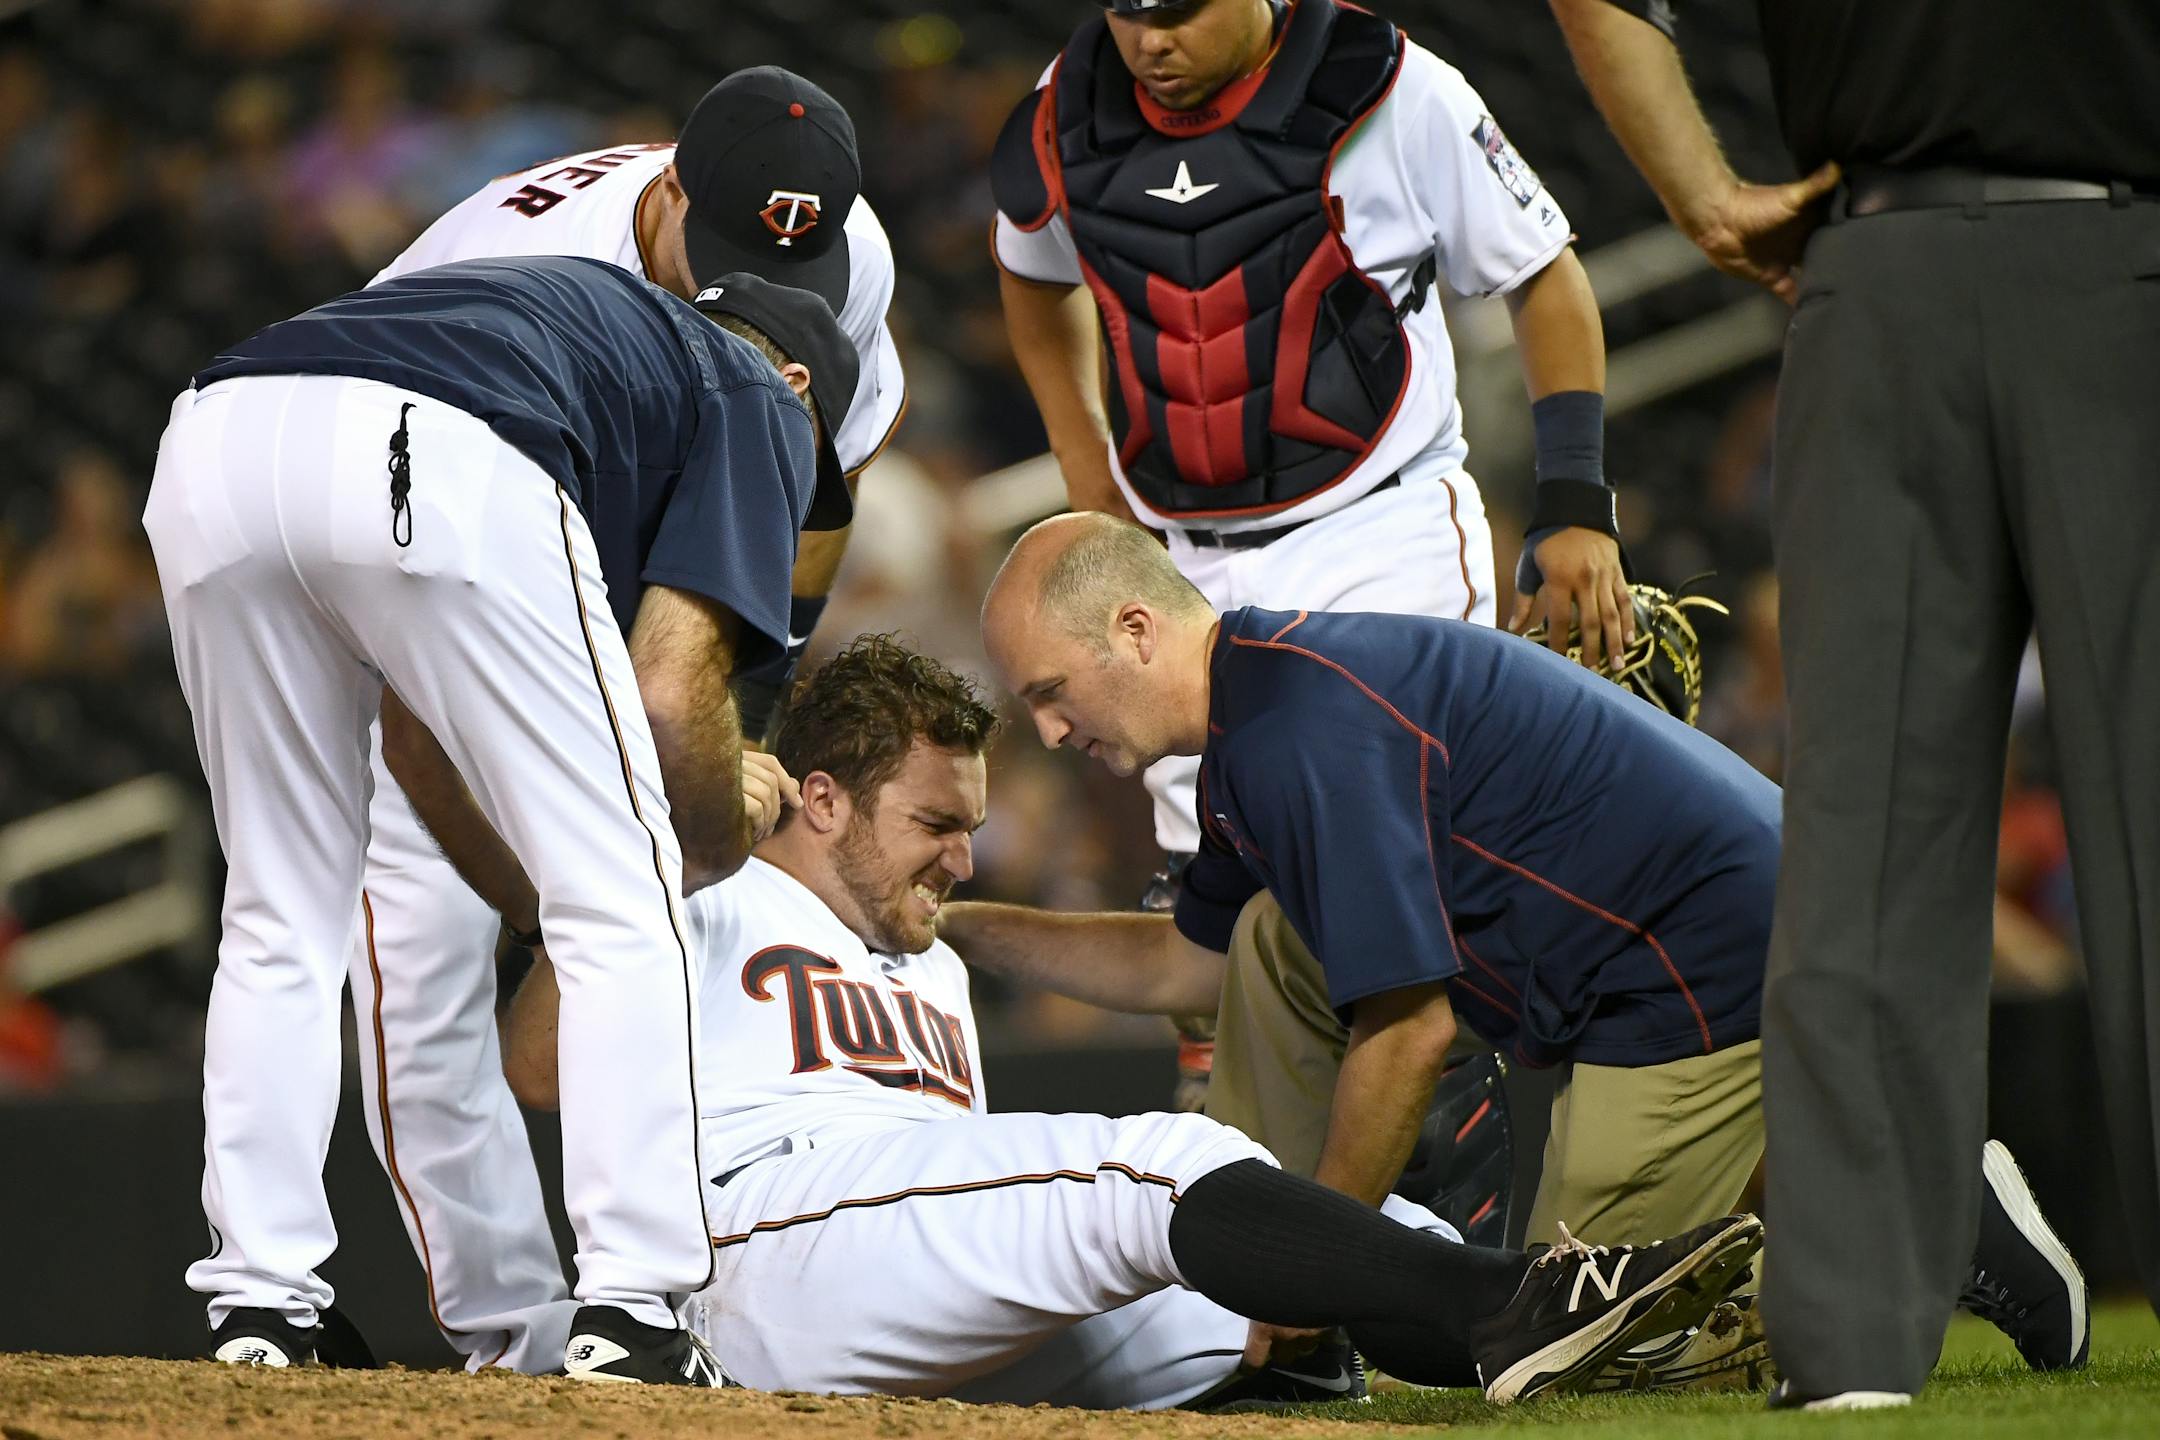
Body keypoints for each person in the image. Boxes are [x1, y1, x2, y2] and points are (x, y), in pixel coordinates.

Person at [960, 510, 2089, 1389]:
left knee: (1567, 1335)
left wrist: (1307, 1281)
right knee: (1266, 934)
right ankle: (1283, 1302)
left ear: (1135, 630)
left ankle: (1928, 1213)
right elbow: (1180, 966)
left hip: (1714, 971)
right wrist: (954, 926)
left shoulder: (1299, 732)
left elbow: (1408, 1033)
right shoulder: (1265, 714)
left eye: (1052, 693)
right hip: (1698, 946)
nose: (1053, 732)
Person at [499, 633, 1766, 1406]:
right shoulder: (712, 897)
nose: (958, 858)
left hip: (917, 1302)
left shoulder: (931, 957)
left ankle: (1610, 1337)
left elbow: (1126, 988)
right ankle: (1518, 1306)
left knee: (1343, 1234)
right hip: (756, 1256)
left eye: (970, 830)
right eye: (934, 827)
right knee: (1160, 1162)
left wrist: (953, 912)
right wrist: (661, 856)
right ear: (818, 802)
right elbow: (542, 1068)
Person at [1543, 0, 2160, 1408]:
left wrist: (1701, 189)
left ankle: (1848, 1343)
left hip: (1878, 271)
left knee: (1865, 838)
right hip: (2126, 260)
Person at [143, 253, 857, 1384]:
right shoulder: (757, 389)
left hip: (215, 438)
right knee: (627, 898)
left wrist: (540, 900)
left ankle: (263, 1306)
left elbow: (420, 738)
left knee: (278, 915)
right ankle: (635, 1311)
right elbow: (675, 702)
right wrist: (714, 833)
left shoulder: (595, 330)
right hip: (432, 448)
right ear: (806, 385)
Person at [349, 67, 907, 1372]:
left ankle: (639, 1322)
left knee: (646, 879)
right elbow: (416, 692)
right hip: (405, 504)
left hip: (606, 520)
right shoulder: (525, 273)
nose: (744, 286)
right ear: (665, 198)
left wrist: (748, 703)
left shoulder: (843, 252)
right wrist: (543, 882)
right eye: (711, 255)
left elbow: (825, 484)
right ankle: (517, 1346)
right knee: (425, 959)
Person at [990, 0, 1628, 1099]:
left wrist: (1576, 498)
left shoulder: (1386, 85)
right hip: (1179, 549)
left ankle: (1470, 1127)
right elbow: (1030, 269)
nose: (1152, 42)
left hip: (1373, 522)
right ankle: (1235, 1129)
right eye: (1130, 15)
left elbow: (1542, 271)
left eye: (1179, 13)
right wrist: (1083, 465)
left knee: (1411, 852)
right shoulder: (1068, 109)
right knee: (1207, 882)